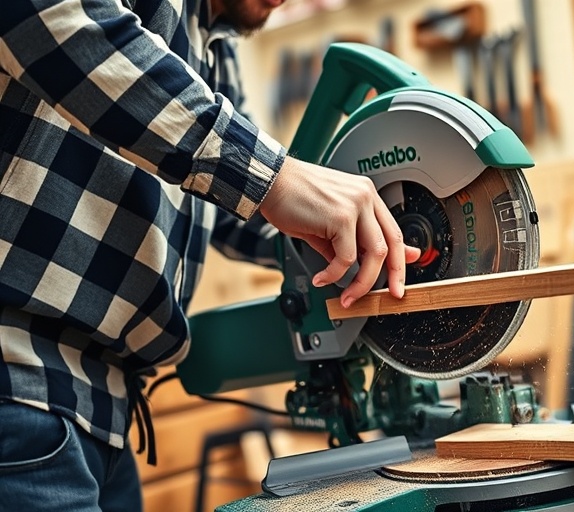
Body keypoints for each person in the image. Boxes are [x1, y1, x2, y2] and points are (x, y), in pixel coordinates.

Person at [0, 0, 419, 510]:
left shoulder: (213, 42)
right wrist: (275, 175)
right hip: (18, 385)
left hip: (99, 411)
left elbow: (230, 208)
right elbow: (49, 17)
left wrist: (364, 240)